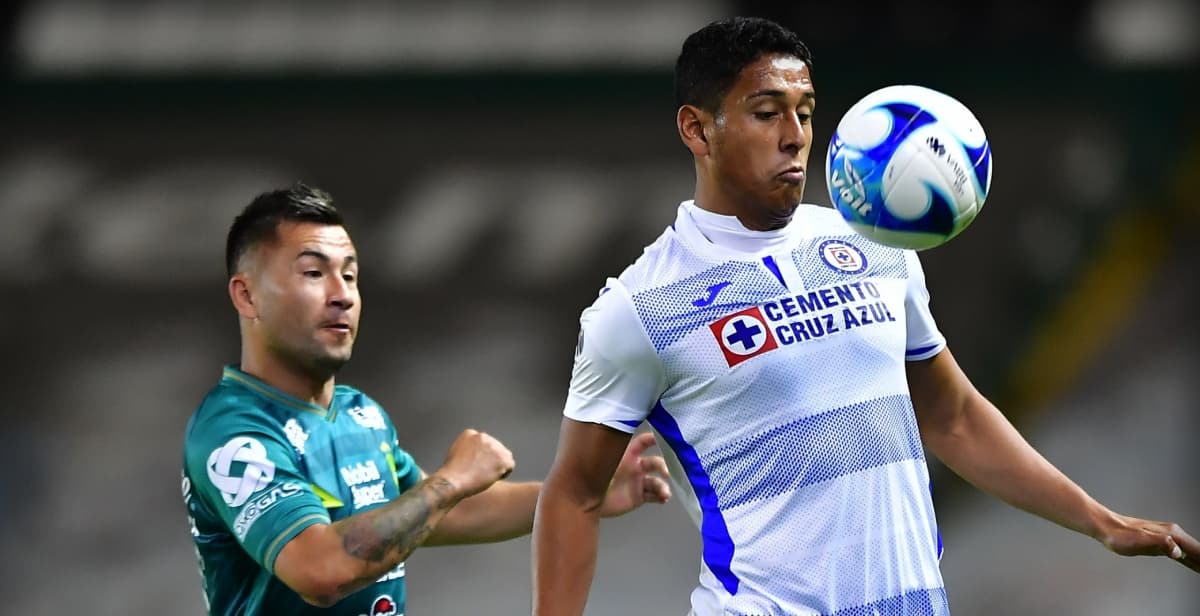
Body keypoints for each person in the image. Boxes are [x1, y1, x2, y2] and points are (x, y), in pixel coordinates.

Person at [531, 16, 1198, 616]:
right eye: (766, 113)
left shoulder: (875, 247)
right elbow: (575, 493)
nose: (795, 137)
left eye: (805, 112)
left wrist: (1099, 521)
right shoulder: (639, 308)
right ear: (697, 129)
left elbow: (953, 416)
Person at [180, 183, 672, 615]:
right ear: (247, 296)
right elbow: (321, 569)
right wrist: (452, 480)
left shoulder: (358, 414)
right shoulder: (234, 432)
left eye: (349, 275)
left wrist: (580, 493)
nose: (342, 295)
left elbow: (437, 514)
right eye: (313, 273)